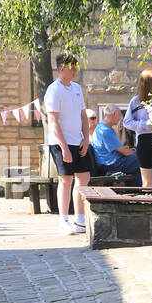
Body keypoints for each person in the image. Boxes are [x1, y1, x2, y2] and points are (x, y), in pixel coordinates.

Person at [45, 53, 93, 235]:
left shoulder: (76, 88)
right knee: (66, 180)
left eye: (75, 66)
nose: (74, 70)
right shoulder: (53, 90)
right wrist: (64, 147)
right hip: (60, 142)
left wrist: (86, 139)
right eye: (71, 67)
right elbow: (54, 121)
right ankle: (63, 220)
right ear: (61, 69)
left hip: (78, 140)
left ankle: (80, 219)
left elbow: (82, 115)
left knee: (83, 177)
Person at [125, 70, 152, 186]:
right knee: (147, 181)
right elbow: (127, 122)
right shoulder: (136, 101)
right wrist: (145, 125)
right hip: (144, 140)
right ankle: (146, 202)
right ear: (148, 81)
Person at [91, 106, 141, 177]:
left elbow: (119, 149)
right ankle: (151, 186)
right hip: (111, 165)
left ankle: (138, 186)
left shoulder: (101, 128)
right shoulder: (105, 131)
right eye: (120, 115)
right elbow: (126, 153)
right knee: (146, 159)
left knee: (141, 161)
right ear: (114, 114)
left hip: (109, 163)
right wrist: (135, 151)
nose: (120, 118)